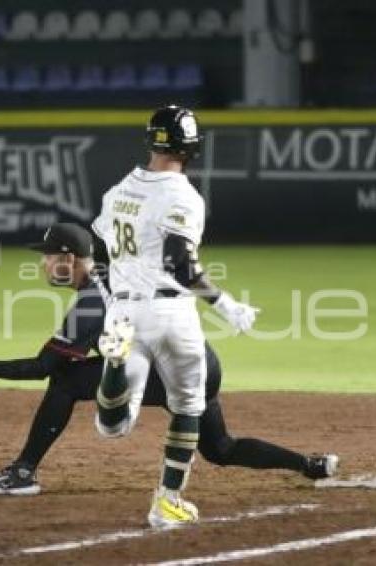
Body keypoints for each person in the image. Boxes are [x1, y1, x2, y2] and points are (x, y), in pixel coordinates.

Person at [0, 223, 338, 500]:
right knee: (219, 447)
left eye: (48, 256)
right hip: (202, 365)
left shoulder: (92, 303)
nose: (43, 265)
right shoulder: (121, 275)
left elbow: (42, 367)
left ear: (69, 259)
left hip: (167, 372)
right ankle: (309, 465)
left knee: (64, 380)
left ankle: (23, 471)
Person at [90, 104, 260, 528]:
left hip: (124, 311)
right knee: (188, 405)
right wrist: (225, 304)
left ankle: (113, 364)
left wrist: (114, 300)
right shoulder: (182, 194)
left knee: (113, 426)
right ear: (192, 146)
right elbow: (179, 261)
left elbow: (97, 252)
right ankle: (167, 502)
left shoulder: (117, 192)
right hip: (171, 312)